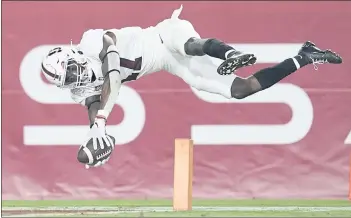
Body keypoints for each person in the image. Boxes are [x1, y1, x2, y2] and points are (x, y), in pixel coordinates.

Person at [41, 5, 342, 168]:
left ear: (72, 54)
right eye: (66, 79)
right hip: (168, 64)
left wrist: (102, 123)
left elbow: (113, 76)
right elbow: (95, 104)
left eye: (70, 70)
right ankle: (305, 56)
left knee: (187, 44)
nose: (73, 77)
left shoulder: (92, 40)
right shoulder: (77, 89)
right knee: (242, 89)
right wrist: (96, 129)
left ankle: (229, 53)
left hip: (161, 36)